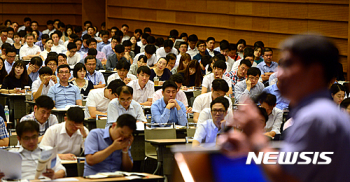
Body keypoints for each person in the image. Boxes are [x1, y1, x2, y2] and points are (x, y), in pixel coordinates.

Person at [219, 34, 350, 182]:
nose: (278, 74)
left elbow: (287, 177)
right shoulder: (323, 112)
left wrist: (255, 135)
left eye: (288, 65)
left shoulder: (316, 117)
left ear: (315, 72)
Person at [0, 121, 66, 180]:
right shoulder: (11, 155)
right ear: (19, 139)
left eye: (34, 137)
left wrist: (54, 175)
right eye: (27, 138)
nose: (31, 141)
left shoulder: (48, 151)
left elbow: (62, 171)